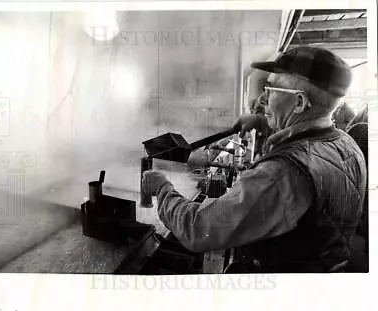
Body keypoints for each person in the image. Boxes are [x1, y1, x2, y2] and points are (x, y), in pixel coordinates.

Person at [142, 46, 367, 272]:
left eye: (270, 89)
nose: (262, 98)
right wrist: (263, 122)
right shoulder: (346, 145)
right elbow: (308, 152)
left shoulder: (281, 174)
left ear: (299, 103)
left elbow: (200, 229)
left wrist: (162, 189)